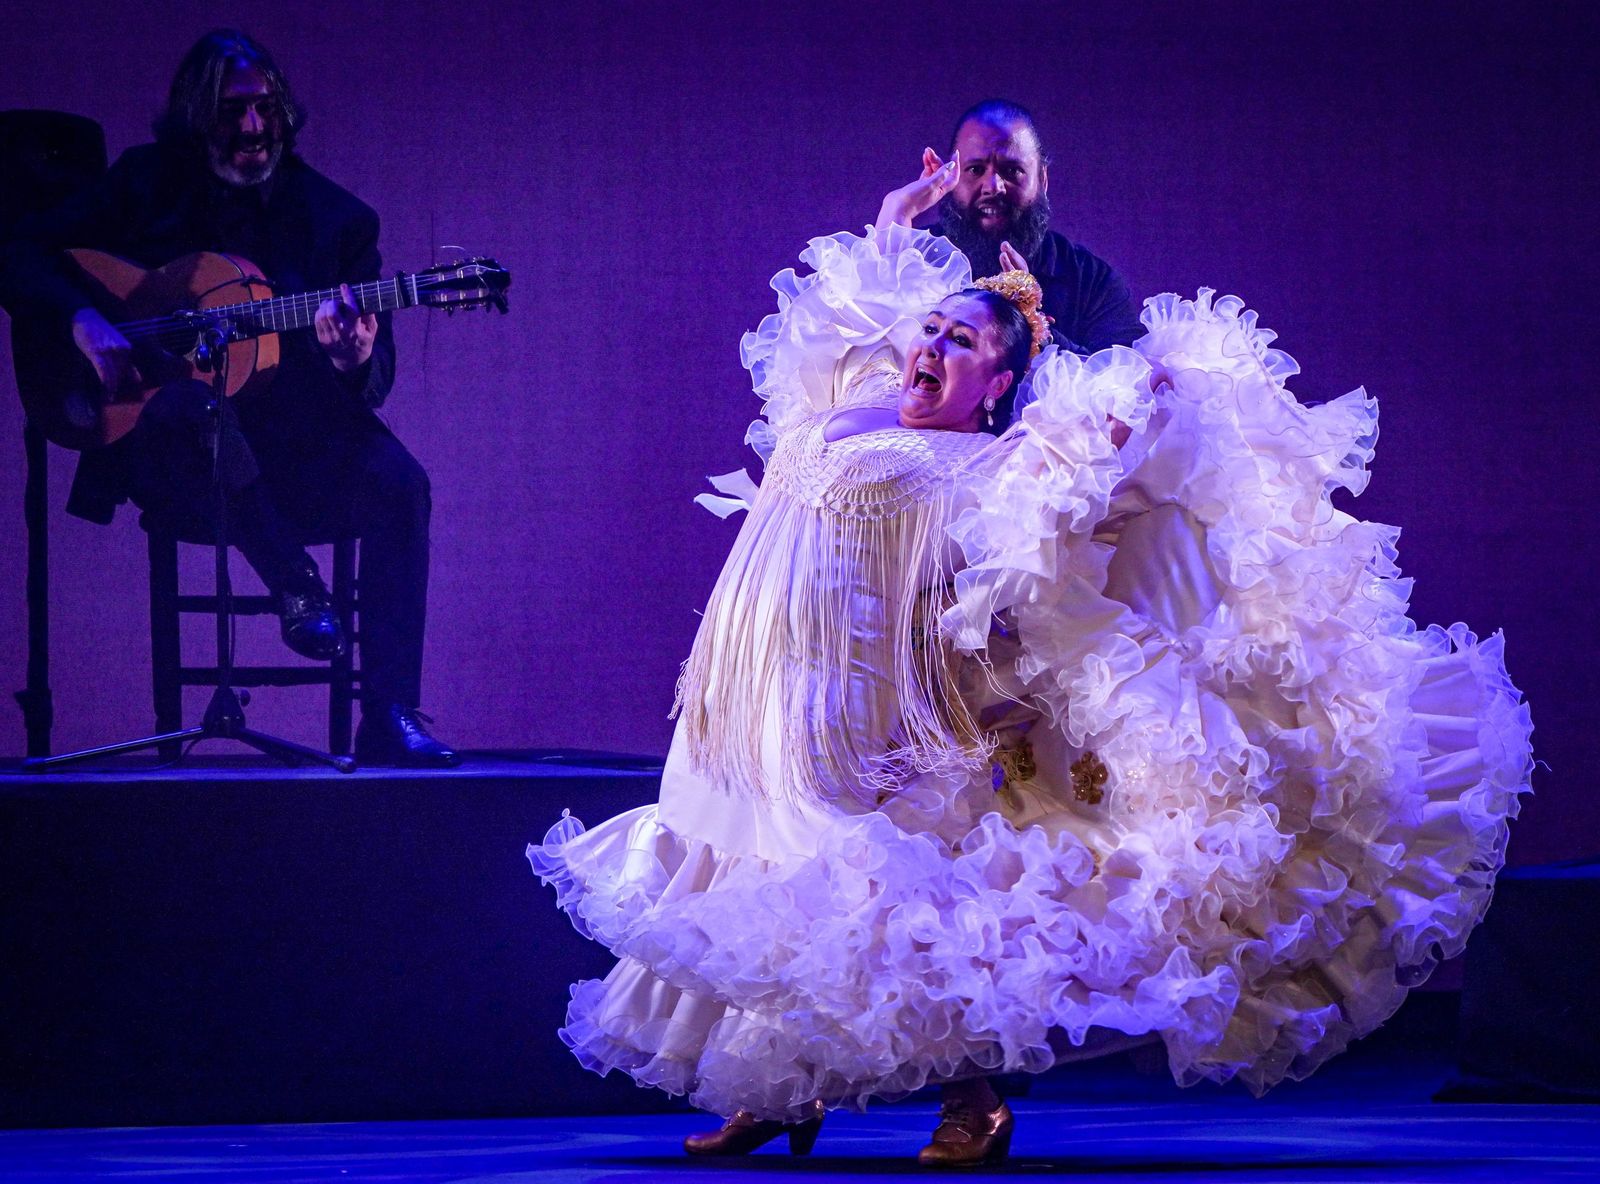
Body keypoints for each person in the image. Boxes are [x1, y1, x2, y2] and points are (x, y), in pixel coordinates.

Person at [527, 157, 1532, 1165]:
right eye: (931, 330)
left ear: (997, 383)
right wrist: (894, 218)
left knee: (861, 904)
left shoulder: (987, 468)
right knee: (741, 880)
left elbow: (1112, 468)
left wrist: (1151, 386)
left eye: (958, 342)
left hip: (865, 717)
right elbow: (846, 312)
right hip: (754, 704)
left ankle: (973, 1102)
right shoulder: (857, 396)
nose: (929, 345)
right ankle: (777, 1088)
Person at [0, 29, 456, 766]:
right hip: (182, 467)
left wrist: (354, 358)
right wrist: (83, 320)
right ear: (195, 117)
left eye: (266, 110)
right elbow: (16, 250)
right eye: (231, 111)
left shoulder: (337, 220)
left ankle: (390, 713)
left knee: (401, 483)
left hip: (297, 461)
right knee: (190, 410)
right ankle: (298, 586)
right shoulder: (143, 188)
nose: (251, 130)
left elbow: (372, 378)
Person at [930, 99, 1144, 356]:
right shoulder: (914, 261)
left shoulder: (1094, 283)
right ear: (950, 175)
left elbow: (1125, 382)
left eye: (1012, 170)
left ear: (1042, 179)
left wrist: (1031, 323)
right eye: (975, 169)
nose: (993, 186)